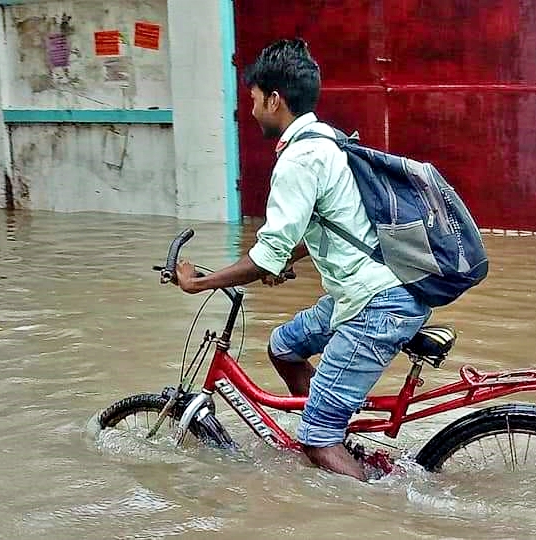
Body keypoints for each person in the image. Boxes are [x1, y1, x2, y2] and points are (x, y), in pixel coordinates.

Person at [174, 38, 429, 481]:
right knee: (284, 347)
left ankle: (373, 492)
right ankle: (336, 432)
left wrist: (200, 282)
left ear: (275, 100)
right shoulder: (330, 138)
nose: (250, 110)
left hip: (374, 305)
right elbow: (332, 224)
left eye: (253, 100)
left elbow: (265, 254)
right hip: (370, 290)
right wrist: (284, 258)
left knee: (315, 439)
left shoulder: (300, 158)